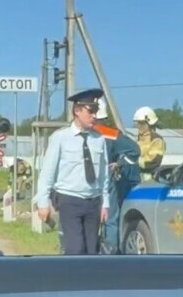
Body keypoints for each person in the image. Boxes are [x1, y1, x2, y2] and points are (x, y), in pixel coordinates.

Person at [36, 88, 110, 255]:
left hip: (93, 202)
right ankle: (73, 279)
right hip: (69, 200)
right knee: (76, 249)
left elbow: (104, 175)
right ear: (77, 110)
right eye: (90, 111)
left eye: (96, 111)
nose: (94, 116)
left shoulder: (99, 139)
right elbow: (47, 173)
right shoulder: (60, 138)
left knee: (92, 251)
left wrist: (105, 203)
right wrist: (43, 203)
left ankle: (89, 281)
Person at [93, 98, 142, 254]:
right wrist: (119, 163)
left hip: (85, 181)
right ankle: (110, 253)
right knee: (110, 220)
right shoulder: (110, 133)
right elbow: (134, 150)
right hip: (106, 181)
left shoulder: (83, 132)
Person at [133, 106, 166, 181]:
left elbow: (152, 162)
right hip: (136, 179)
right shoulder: (138, 139)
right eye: (137, 123)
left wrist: (133, 161)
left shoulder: (157, 140)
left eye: (141, 123)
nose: (138, 126)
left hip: (149, 180)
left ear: (149, 123)